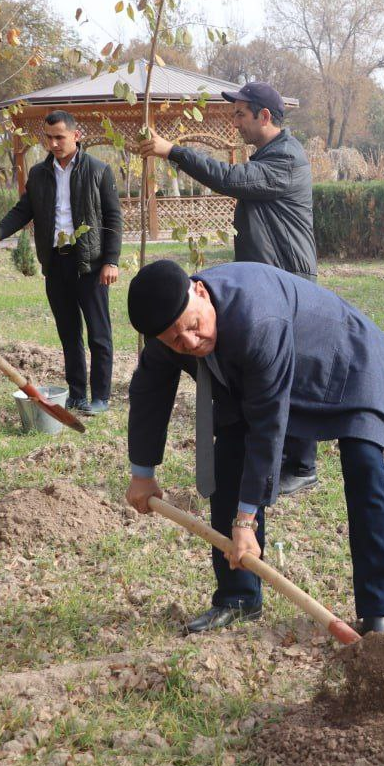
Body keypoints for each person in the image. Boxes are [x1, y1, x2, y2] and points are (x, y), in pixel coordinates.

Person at [123, 259, 384, 635]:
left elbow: (268, 427)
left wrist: (246, 520)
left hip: (346, 361)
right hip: (264, 375)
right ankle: (238, 597)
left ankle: (380, 612)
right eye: (176, 340)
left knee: (364, 463)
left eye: (193, 326)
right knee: (228, 459)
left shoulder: (256, 320)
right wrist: (142, 474)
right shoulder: (170, 327)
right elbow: (149, 390)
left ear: (201, 291)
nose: (190, 343)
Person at [137, 81, 319, 497]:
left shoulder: (287, 158)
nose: (234, 122)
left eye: (239, 114)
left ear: (265, 116)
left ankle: (303, 464)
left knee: (296, 371)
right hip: (270, 278)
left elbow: (230, 178)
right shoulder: (270, 156)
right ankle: (276, 455)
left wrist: (174, 151)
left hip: (289, 280)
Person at [0, 110, 122, 414]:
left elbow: (113, 218)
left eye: (60, 137)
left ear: (76, 136)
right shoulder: (39, 175)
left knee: (99, 334)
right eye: (49, 138)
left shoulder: (99, 170)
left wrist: (112, 261)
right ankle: (77, 394)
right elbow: (22, 211)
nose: (53, 144)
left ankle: (101, 397)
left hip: (89, 265)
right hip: (55, 263)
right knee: (69, 334)